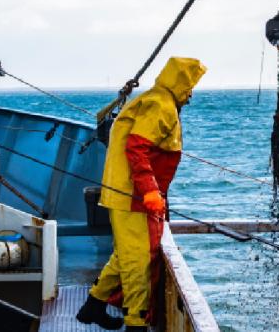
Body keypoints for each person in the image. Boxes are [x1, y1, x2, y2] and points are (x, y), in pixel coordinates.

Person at [76, 57, 206, 331]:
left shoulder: (154, 99)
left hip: (123, 194)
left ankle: (94, 306)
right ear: (181, 84)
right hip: (132, 197)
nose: (191, 94)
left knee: (125, 255)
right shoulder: (161, 105)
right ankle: (136, 323)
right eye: (190, 86)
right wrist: (149, 191)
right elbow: (136, 147)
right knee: (139, 262)